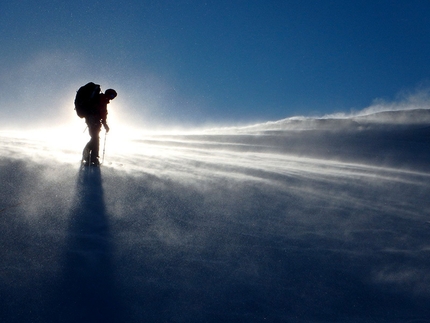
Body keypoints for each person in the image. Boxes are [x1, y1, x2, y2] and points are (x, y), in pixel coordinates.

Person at [82, 88, 117, 166]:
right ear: (108, 93)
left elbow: (103, 114)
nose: (112, 98)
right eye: (112, 95)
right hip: (93, 121)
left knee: (95, 138)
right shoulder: (102, 99)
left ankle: (90, 156)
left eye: (113, 96)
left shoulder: (102, 100)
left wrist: (105, 125)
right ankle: (91, 157)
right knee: (95, 139)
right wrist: (105, 125)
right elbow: (103, 113)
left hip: (93, 121)